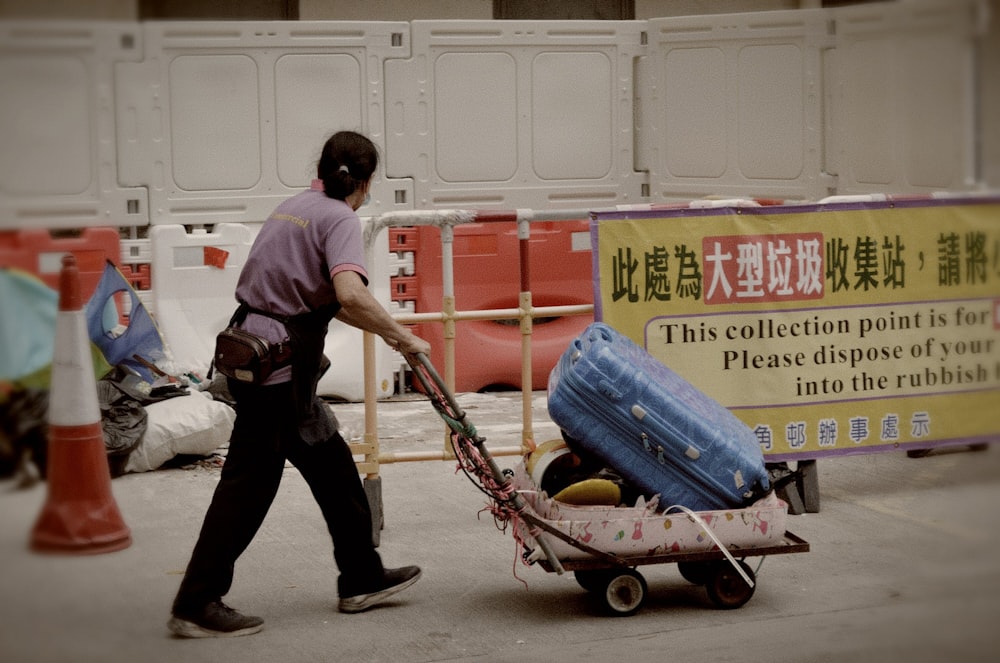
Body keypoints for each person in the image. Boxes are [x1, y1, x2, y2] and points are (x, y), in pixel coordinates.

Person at [168, 131, 432, 638]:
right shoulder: (340, 219)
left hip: (254, 352)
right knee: (248, 485)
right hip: (279, 374)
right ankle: (196, 600)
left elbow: (319, 300)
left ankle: (361, 576)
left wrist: (391, 334)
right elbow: (349, 295)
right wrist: (402, 337)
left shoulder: (295, 207)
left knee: (331, 464)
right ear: (368, 180)